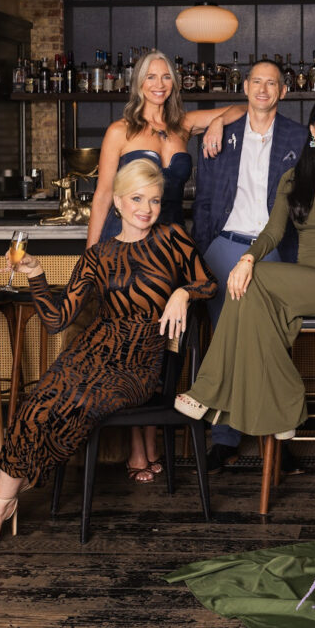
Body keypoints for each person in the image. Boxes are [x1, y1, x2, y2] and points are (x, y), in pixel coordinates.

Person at [0, 159, 217, 552]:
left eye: (154, 200)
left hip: (138, 365)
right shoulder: (98, 256)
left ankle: (4, 497)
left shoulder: (173, 239)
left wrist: (182, 293)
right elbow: (57, 321)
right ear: (117, 201)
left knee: (80, 402)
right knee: (38, 403)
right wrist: (35, 273)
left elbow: (209, 283)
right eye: (137, 199)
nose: (146, 209)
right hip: (92, 351)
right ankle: (6, 500)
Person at [174, 96, 315, 441]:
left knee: (254, 280)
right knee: (250, 297)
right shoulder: (293, 178)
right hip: (303, 282)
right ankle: (284, 408)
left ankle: (207, 391)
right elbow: (273, 232)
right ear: (312, 130)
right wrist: (248, 258)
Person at [86, 49, 237, 482]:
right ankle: (139, 448)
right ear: (138, 83)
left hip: (170, 250)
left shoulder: (183, 125)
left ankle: (154, 441)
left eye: (166, 76)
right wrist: (92, 258)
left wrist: (219, 122)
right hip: (127, 248)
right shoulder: (120, 130)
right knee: (133, 346)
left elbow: (244, 107)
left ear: (175, 82)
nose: (158, 84)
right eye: (150, 77)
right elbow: (103, 195)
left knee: (165, 346)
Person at [189, 59, 308, 474]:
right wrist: (205, 249)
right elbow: (205, 200)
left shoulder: (299, 137)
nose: (263, 89)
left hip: (272, 250)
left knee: (272, 342)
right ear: (245, 87)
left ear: (283, 91)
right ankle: (224, 440)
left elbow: (307, 204)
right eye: (256, 81)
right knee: (224, 341)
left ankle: (277, 440)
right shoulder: (221, 135)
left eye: (271, 83)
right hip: (224, 248)